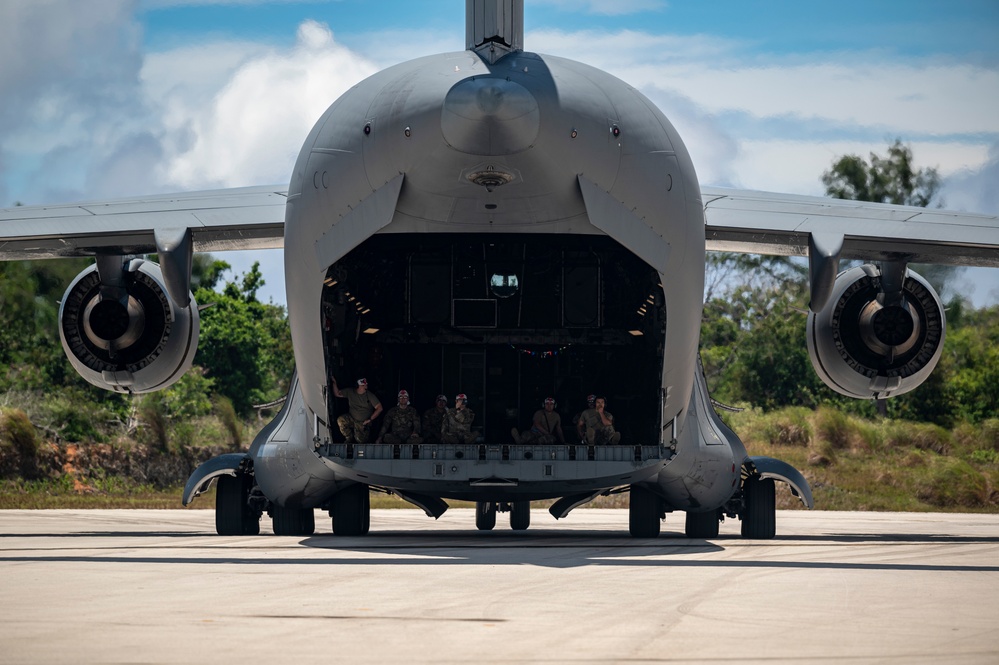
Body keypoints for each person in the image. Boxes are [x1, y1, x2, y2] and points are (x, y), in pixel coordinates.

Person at [332, 377, 382, 444]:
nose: (366, 385)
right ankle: (349, 438)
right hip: (352, 418)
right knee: (341, 420)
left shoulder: (369, 395)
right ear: (359, 386)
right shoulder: (350, 392)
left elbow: (379, 408)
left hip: (363, 422)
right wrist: (334, 383)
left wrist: (370, 419)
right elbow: (337, 394)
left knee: (360, 441)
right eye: (363, 385)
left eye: (366, 384)